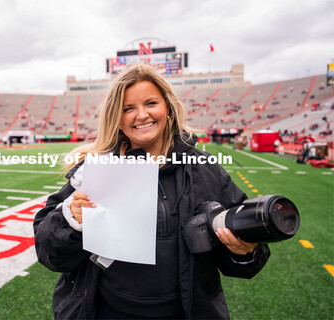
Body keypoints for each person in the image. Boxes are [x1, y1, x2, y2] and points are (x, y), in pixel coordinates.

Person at [34, 64, 270, 319]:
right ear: (117, 117)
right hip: (106, 312)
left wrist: (244, 251)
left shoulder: (205, 169)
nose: (141, 115)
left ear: (167, 107)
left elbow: (244, 251)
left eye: (151, 103)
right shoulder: (94, 169)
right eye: (128, 108)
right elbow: (48, 251)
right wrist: (69, 219)